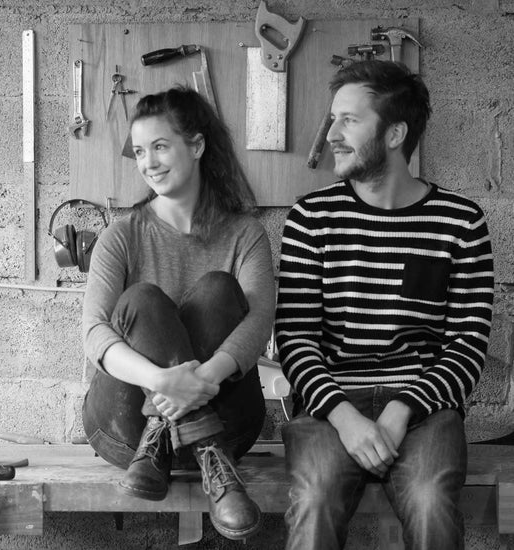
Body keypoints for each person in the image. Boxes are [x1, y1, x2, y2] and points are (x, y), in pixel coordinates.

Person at [275, 60, 494, 550]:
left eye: (349, 120)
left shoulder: (461, 222)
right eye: (333, 119)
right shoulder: (312, 218)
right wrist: (343, 416)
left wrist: (401, 408)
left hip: (425, 409)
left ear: (395, 134)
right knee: (315, 498)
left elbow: (467, 345)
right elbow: (295, 338)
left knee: (430, 500)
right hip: (330, 407)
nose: (331, 134)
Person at [81, 86, 275, 541]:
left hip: (230, 423)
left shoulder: (245, 234)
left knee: (217, 290)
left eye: (160, 147)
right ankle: (204, 441)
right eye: (139, 151)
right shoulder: (122, 235)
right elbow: (94, 332)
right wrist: (163, 381)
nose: (148, 162)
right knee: (142, 300)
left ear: (197, 145)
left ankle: (201, 439)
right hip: (130, 434)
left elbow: (260, 321)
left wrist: (200, 379)